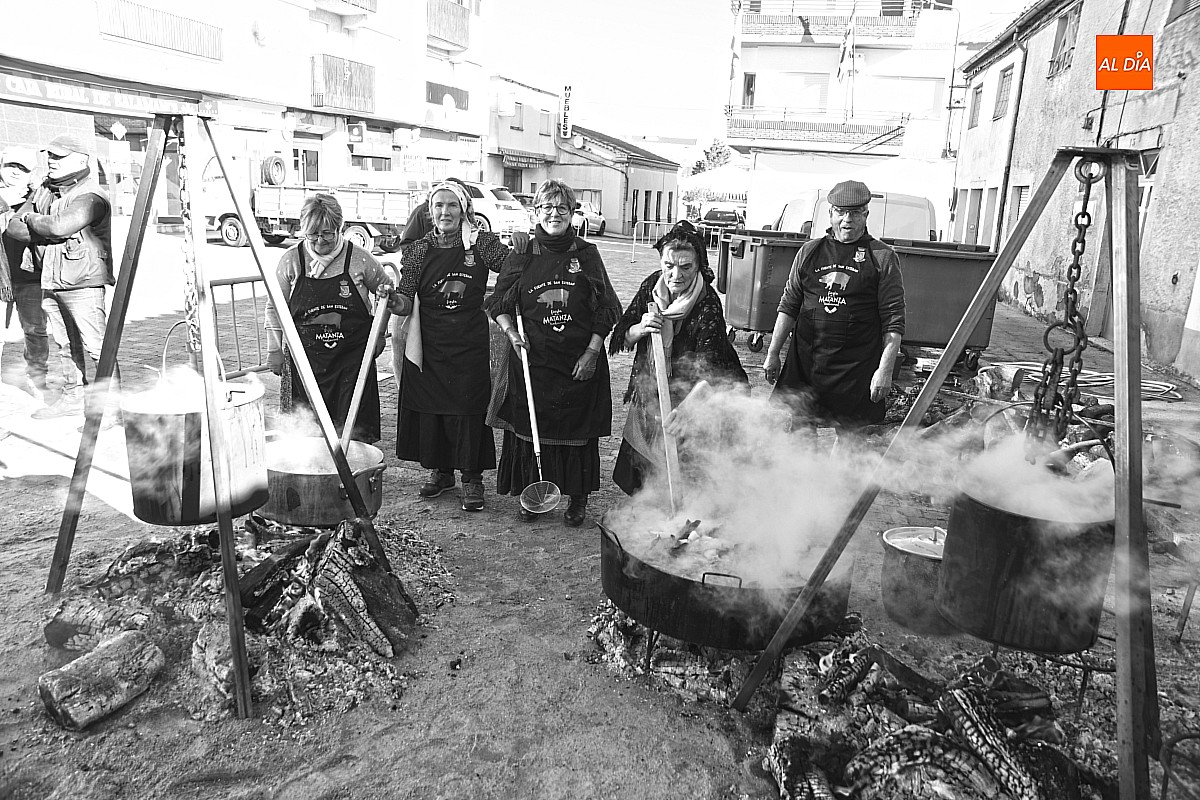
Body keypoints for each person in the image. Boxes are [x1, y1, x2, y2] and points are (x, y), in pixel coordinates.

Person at [485, 179, 621, 527]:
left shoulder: (586, 254)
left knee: (576, 430)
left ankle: (577, 498)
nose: (554, 214)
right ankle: (534, 494)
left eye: (562, 208)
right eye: (547, 207)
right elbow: (499, 303)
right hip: (533, 361)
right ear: (536, 211)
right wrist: (512, 333)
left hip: (577, 360)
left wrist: (592, 352)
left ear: (572, 212)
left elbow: (607, 308)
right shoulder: (523, 253)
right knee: (532, 427)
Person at [610, 220, 748, 495]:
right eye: (669, 265)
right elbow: (622, 338)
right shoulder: (652, 285)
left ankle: (684, 510)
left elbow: (711, 370)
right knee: (641, 471)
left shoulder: (707, 303)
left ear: (698, 266)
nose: (676, 275)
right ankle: (644, 509)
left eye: (686, 267)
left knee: (687, 470)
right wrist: (641, 327)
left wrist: (686, 410)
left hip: (695, 394)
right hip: (651, 387)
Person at [395, 181, 510, 512]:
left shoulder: (481, 243)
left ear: (464, 210)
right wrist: (392, 300)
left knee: (468, 408)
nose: (445, 212)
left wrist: (519, 245)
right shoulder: (419, 250)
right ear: (430, 211)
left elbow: (512, 267)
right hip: (429, 342)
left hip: (468, 342)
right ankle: (441, 471)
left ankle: (472, 479)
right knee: (432, 408)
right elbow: (405, 298)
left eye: (452, 205)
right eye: (438, 206)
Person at [264, 193, 406, 444]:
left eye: (327, 233)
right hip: (305, 362)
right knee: (305, 435)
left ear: (340, 228)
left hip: (352, 362)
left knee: (354, 435)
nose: (320, 240)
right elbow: (274, 307)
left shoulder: (360, 259)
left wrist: (380, 334)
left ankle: (355, 464)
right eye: (312, 234)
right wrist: (274, 350)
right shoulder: (291, 260)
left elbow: (386, 293)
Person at [763, 179, 904, 429]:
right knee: (800, 430)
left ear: (866, 214)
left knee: (851, 438)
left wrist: (885, 370)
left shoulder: (882, 257)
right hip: (808, 363)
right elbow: (789, 306)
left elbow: (893, 320)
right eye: (841, 212)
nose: (847, 220)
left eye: (855, 213)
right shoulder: (809, 252)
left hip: (857, 368)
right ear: (830, 213)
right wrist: (773, 353)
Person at [5, 134, 114, 421]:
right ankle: (73, 399)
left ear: (81, 160)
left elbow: (60, 226)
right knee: (66, 345)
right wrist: (40, 225)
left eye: (59, 156)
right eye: (50, 155)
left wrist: (32, 220)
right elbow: (13, 228)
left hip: (83, 283)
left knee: (97, 347)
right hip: (50, 279)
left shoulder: (91, 195)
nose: (51, 161)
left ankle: (110, 409)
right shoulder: (46, 189)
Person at [0, 146, 48, 400]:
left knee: (35, 331)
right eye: (11, 166)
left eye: (23, 168)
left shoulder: (40, 197)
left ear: (32, 172)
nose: (16, 172)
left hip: (30, 277)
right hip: (1, 278)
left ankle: (37, 377)